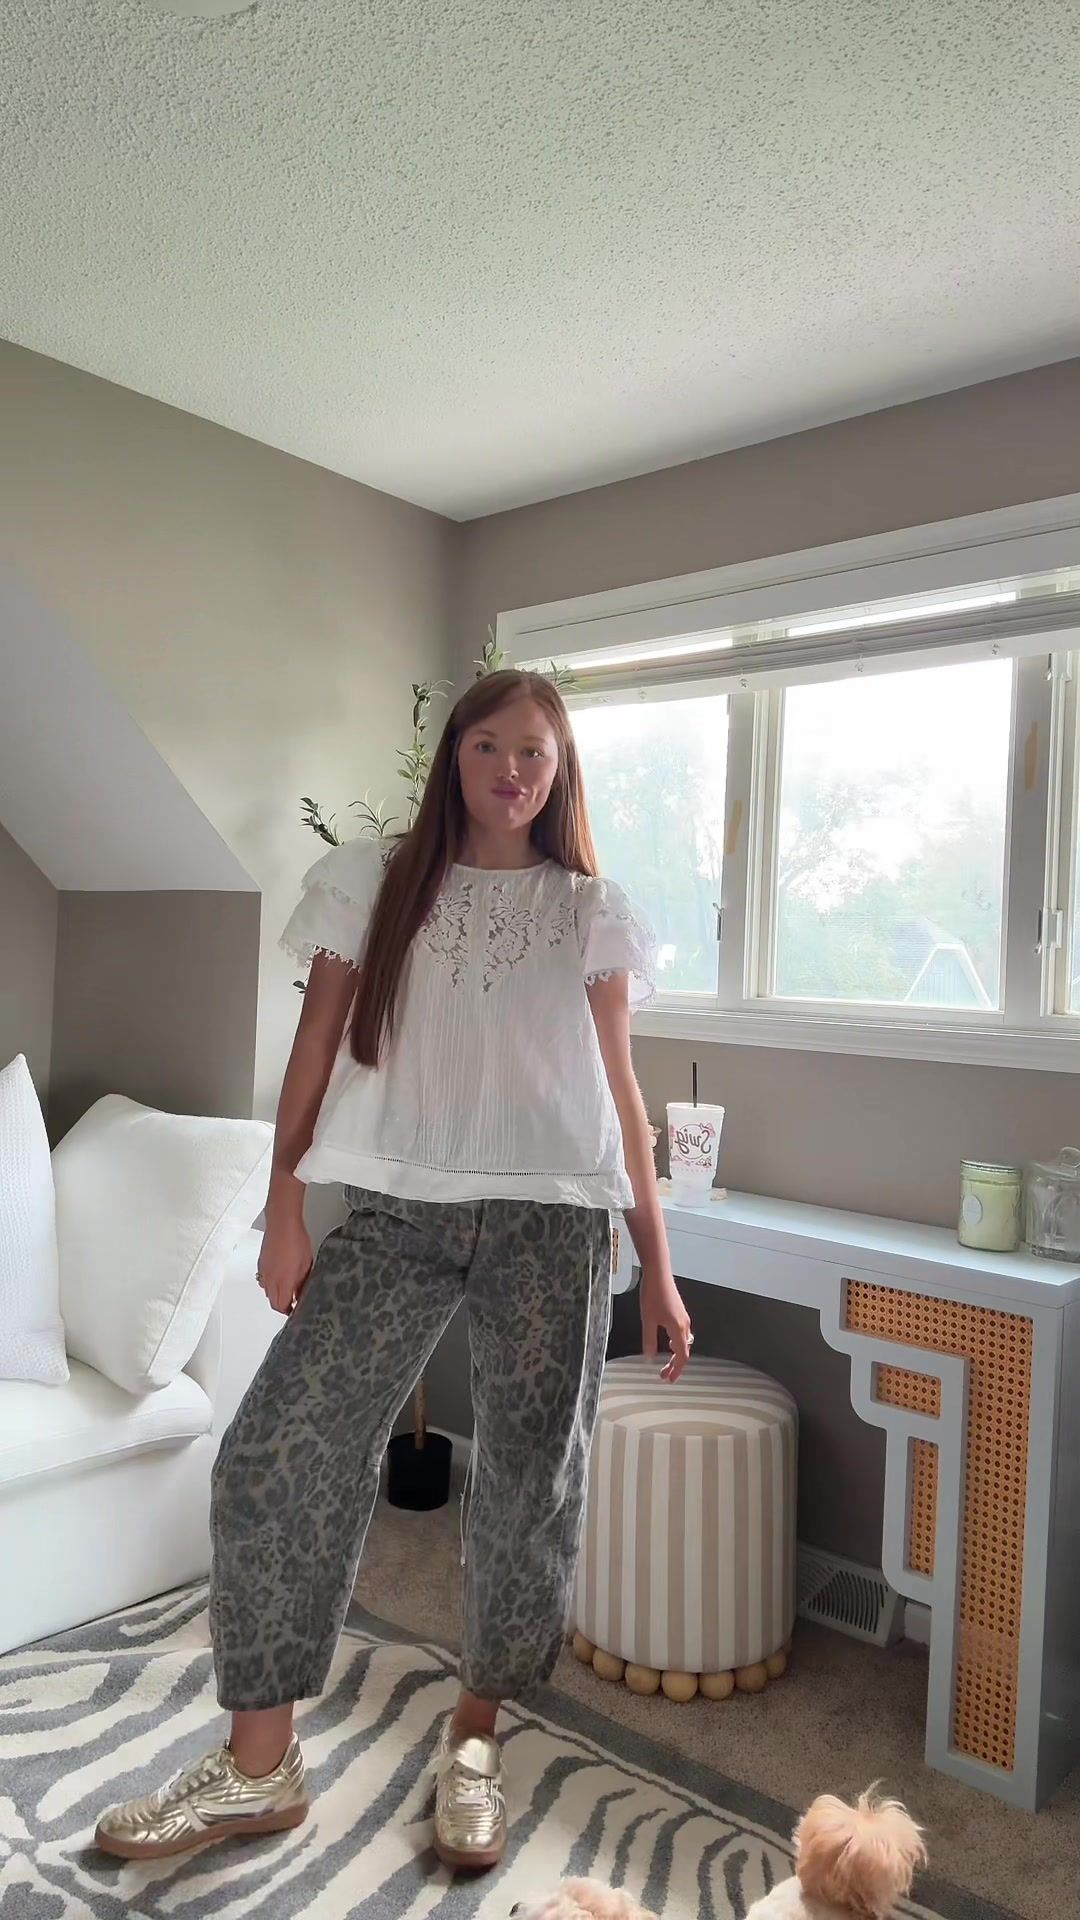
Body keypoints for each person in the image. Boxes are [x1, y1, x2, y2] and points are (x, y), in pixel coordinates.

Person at [95, 670, 692, 1872]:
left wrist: (660, 1266)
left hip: (554, 1226)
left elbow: (622, 1093)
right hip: (398, 1214)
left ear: (561, 770)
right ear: (455, 757)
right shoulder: (373, 881)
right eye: (489, 746)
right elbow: (317, 1040)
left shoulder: (592, 909)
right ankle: (259, 1768)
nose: (513, 771)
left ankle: (474, 1742)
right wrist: (284, 1207)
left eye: (535, 751)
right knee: (274, 1450)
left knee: (530, 1487)